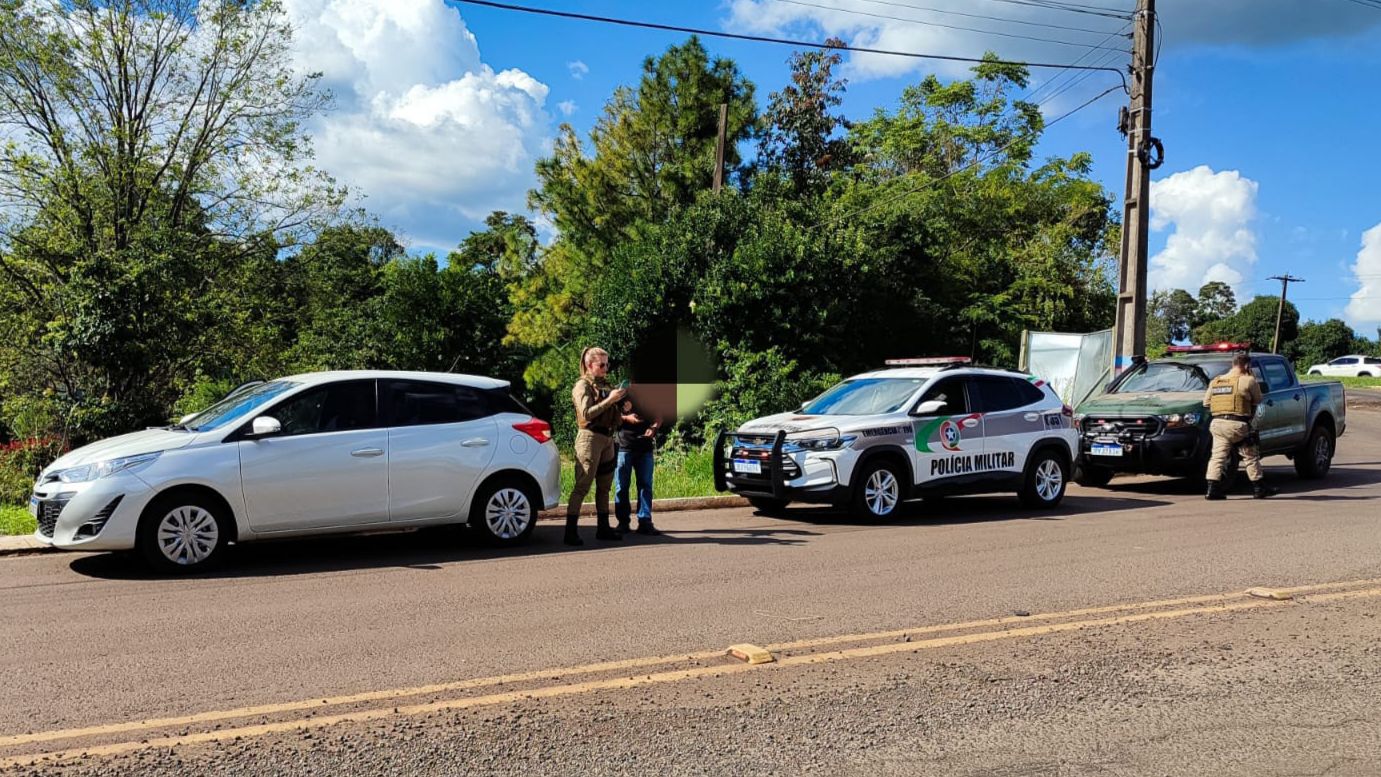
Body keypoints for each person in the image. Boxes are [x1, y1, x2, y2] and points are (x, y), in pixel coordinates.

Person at [565, 346, 626, 545]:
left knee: (604, 486)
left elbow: (611, 413)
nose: (606, 368)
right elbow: (587, 413)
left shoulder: (605, 385)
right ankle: (570, 531)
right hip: (589, 438)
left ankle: (603, 528)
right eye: (601, 365)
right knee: (582, 485)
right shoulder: (582, 386)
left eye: (607, 364)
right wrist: (610, 400)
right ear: (589, 365)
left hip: (607, 438)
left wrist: (620, 405)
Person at [1203, 352, 1278, 500]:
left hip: (1217, 424)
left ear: (1232, 364)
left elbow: (1206, 403)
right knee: (1250, 455)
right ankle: (1259, 487)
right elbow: (1258, 399)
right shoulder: (1248, 380)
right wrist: (1252, 378)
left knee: (1217, 456)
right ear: (1247, 365)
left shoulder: (1216, 381)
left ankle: (1212, 489)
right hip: (1237, 424)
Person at [614, 395, 662, 536]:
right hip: (624, 447)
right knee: (621, 487)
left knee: (645, 485)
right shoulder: (620, 393)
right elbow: (609, 415)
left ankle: (645, 521)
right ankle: (623, 522)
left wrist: (653, 428)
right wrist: (626, 418)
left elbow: (659, 416)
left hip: (645, 447)